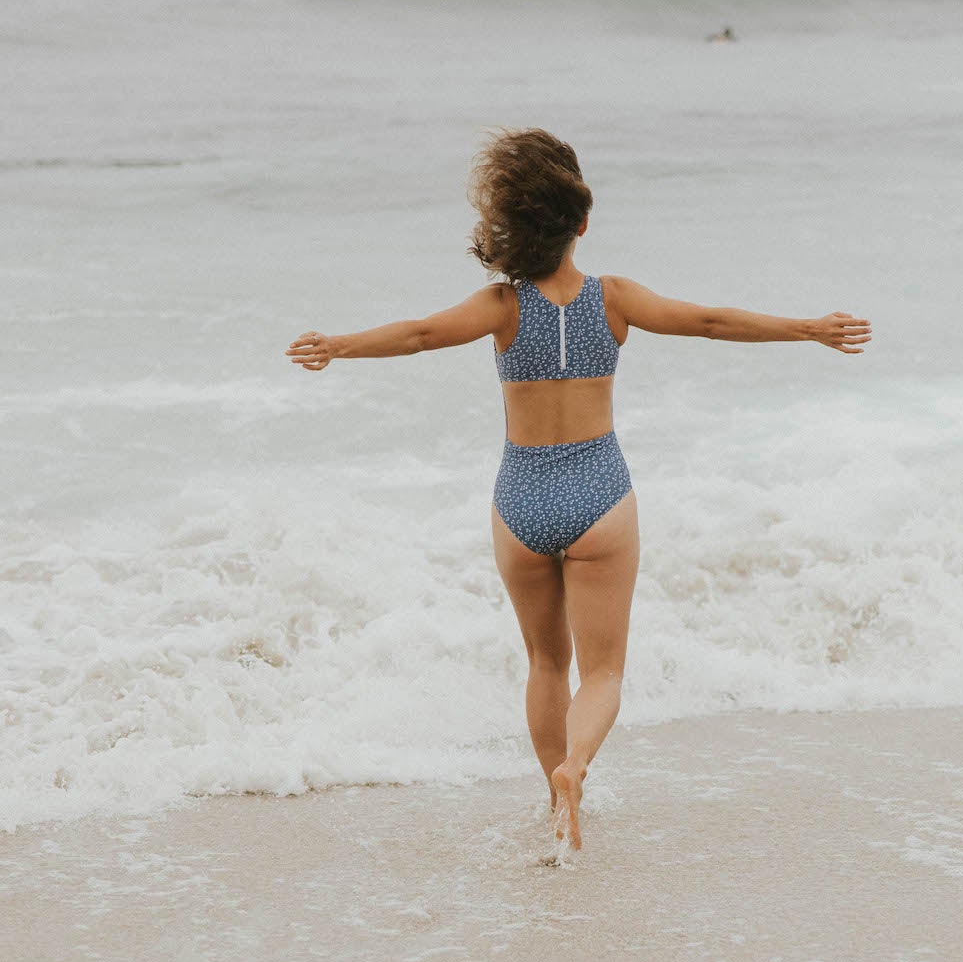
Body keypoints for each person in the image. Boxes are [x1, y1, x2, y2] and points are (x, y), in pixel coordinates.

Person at [286, 129, 871, 851]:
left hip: (521, 498)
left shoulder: (501, 306)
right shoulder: (614, 300)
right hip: (599, 493)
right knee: (603, 672)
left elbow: (416, 334)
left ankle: (554, 797)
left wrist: (337, 345)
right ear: (581, 225)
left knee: (544, 662)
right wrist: (808, 328)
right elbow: (711, 322)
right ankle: (576, 769)